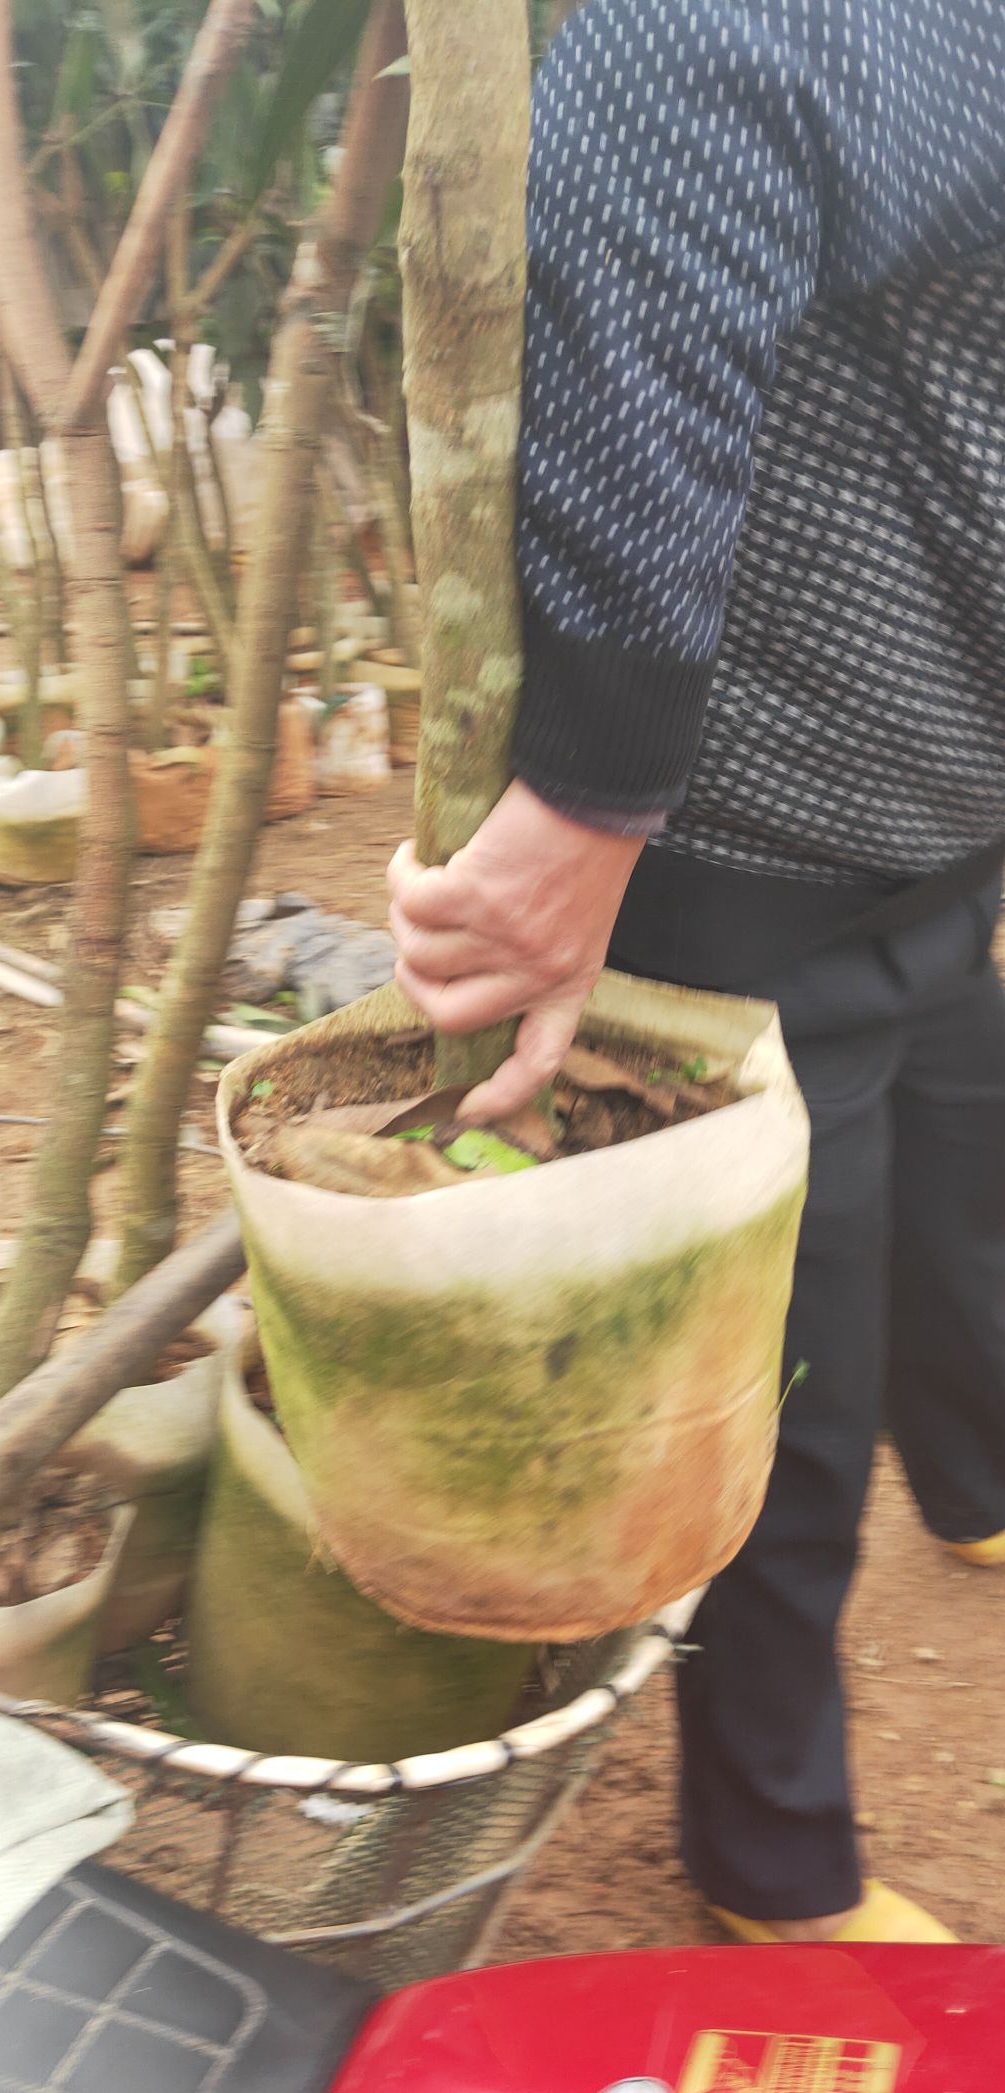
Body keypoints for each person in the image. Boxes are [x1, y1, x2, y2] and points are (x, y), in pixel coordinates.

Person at [388, 0, 1005, 1943]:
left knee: (966, 1197)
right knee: (781, 1390)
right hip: (756, 827)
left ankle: (982, 1480)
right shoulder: (742, 26)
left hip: (944, 789)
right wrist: (585, 799)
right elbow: (661, 205)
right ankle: (772, 1854)